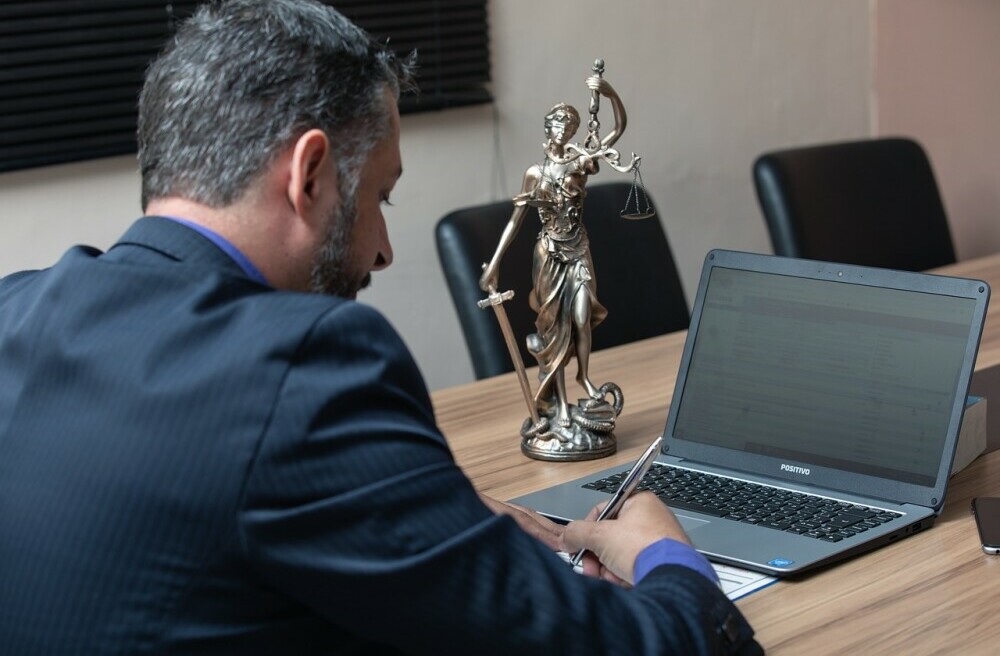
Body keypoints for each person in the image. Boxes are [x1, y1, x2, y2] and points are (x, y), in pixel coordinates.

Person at [0, 1, 761, 654]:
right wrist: (664, 554)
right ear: (310, 174)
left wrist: (418, 515)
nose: (384, 250)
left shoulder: (16, 310)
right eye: (382, 199)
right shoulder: (309, 372)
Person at [479, 77, 625, 431]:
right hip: (549, 255)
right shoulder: (535, 173)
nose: (563, 128)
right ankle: (558, 405)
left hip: (578, 250)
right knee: (554, 332)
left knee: (580, 317)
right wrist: (494, 265)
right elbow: (515, 222)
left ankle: (584, 378)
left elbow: (619, 128)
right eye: (558, 122)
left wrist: (609, 94)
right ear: (548, 127)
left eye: (569, 124)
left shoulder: (581, 163)